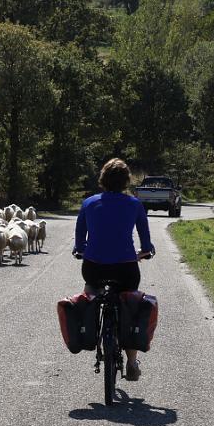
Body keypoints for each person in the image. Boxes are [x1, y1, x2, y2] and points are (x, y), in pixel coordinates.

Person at [73, 158, 155, 381]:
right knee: (129, 305)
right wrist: (146, 250)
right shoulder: (135, 204)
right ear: (126, 181)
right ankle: (131, 362)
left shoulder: (89, 203)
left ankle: (87, 328)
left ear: (102, 179)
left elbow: (80, 239)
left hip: (94, 267)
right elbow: (145, 240)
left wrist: (80, 250)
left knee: (90, 291)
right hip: (125, 268)